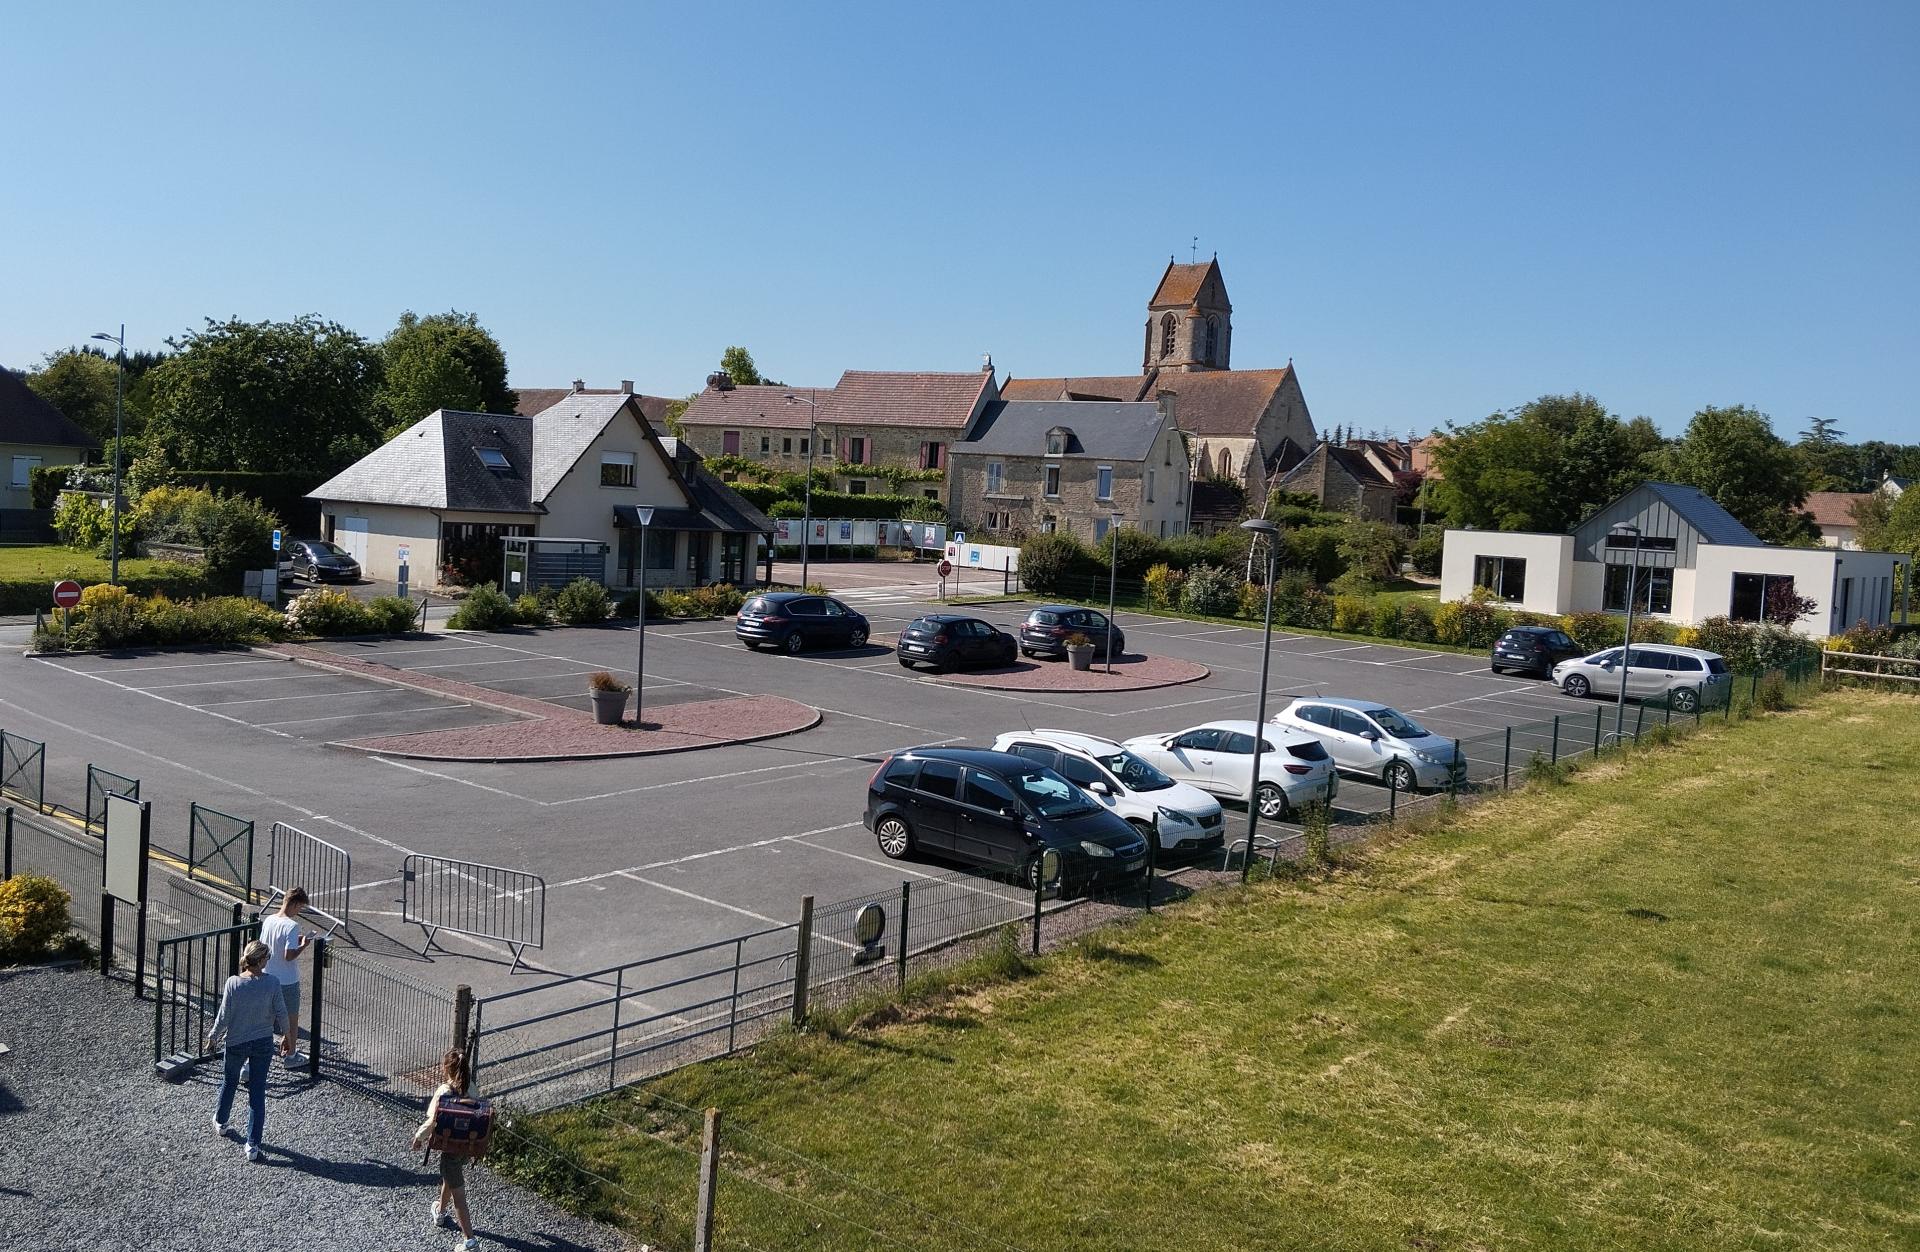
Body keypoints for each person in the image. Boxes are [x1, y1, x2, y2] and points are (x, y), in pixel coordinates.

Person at [208, 939, 288, 1162]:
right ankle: (252, 1145)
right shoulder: (272, 983)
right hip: (262, 1041)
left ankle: (222, 1121)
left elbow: (224, 1016)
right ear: (262, 960)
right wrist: (287, 1037)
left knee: (229, 1081)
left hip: (236, 1042)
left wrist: (213, 1036)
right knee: (257, 1091)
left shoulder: (233, 983)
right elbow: (281, 1012)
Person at [413, 1048, 480, 1250]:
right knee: (450, 1178)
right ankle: (440, 1212)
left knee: (459, 1197)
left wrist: (419, 1137)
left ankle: (470, 1241)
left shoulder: (444, 1091)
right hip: (466, 1146)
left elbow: (433, 1121)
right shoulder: (473, 1089)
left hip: (449, 1147)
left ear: (446, 1069)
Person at [259, 887, 313, 1067]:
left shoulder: (269, 920)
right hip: (287, 980)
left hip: (267, 976)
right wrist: (303, 945)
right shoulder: (292, 925)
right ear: (295, 904)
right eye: (300, 908)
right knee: (291, 1018)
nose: (299, 912)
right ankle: (291, 1055)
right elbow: (288, 955)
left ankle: (257, 1054)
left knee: (267, 1017)